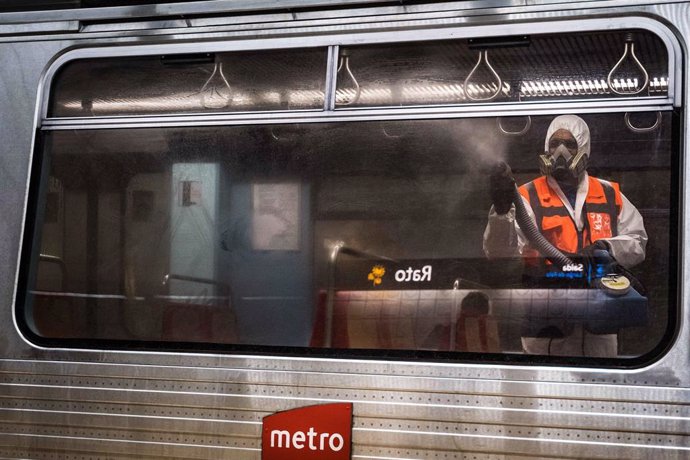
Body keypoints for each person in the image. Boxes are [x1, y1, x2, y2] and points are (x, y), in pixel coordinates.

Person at [483, 114, 647, 357]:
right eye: (554, 144)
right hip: (546, 323)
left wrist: (606, 247)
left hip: (599, 325)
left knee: (599, 385)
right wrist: (501, 211)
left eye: (570, 145)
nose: (560, 152)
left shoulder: (610, 193)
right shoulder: (525, 195)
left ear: (584, 150)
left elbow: (637, 241)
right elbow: (498, 253)